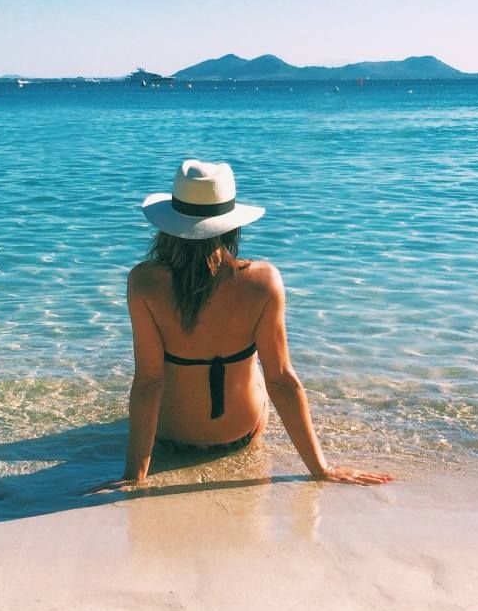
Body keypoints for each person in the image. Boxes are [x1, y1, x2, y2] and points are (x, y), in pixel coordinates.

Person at [93, 160, 392, 492]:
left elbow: (149, 382)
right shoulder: (263, 281)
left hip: (170, 438)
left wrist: (134, 475)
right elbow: (283, 382)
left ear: (169, 225)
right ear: (232, 226)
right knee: (261, 372)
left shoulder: (144, 282)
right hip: (239, 435)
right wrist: (322, 469)